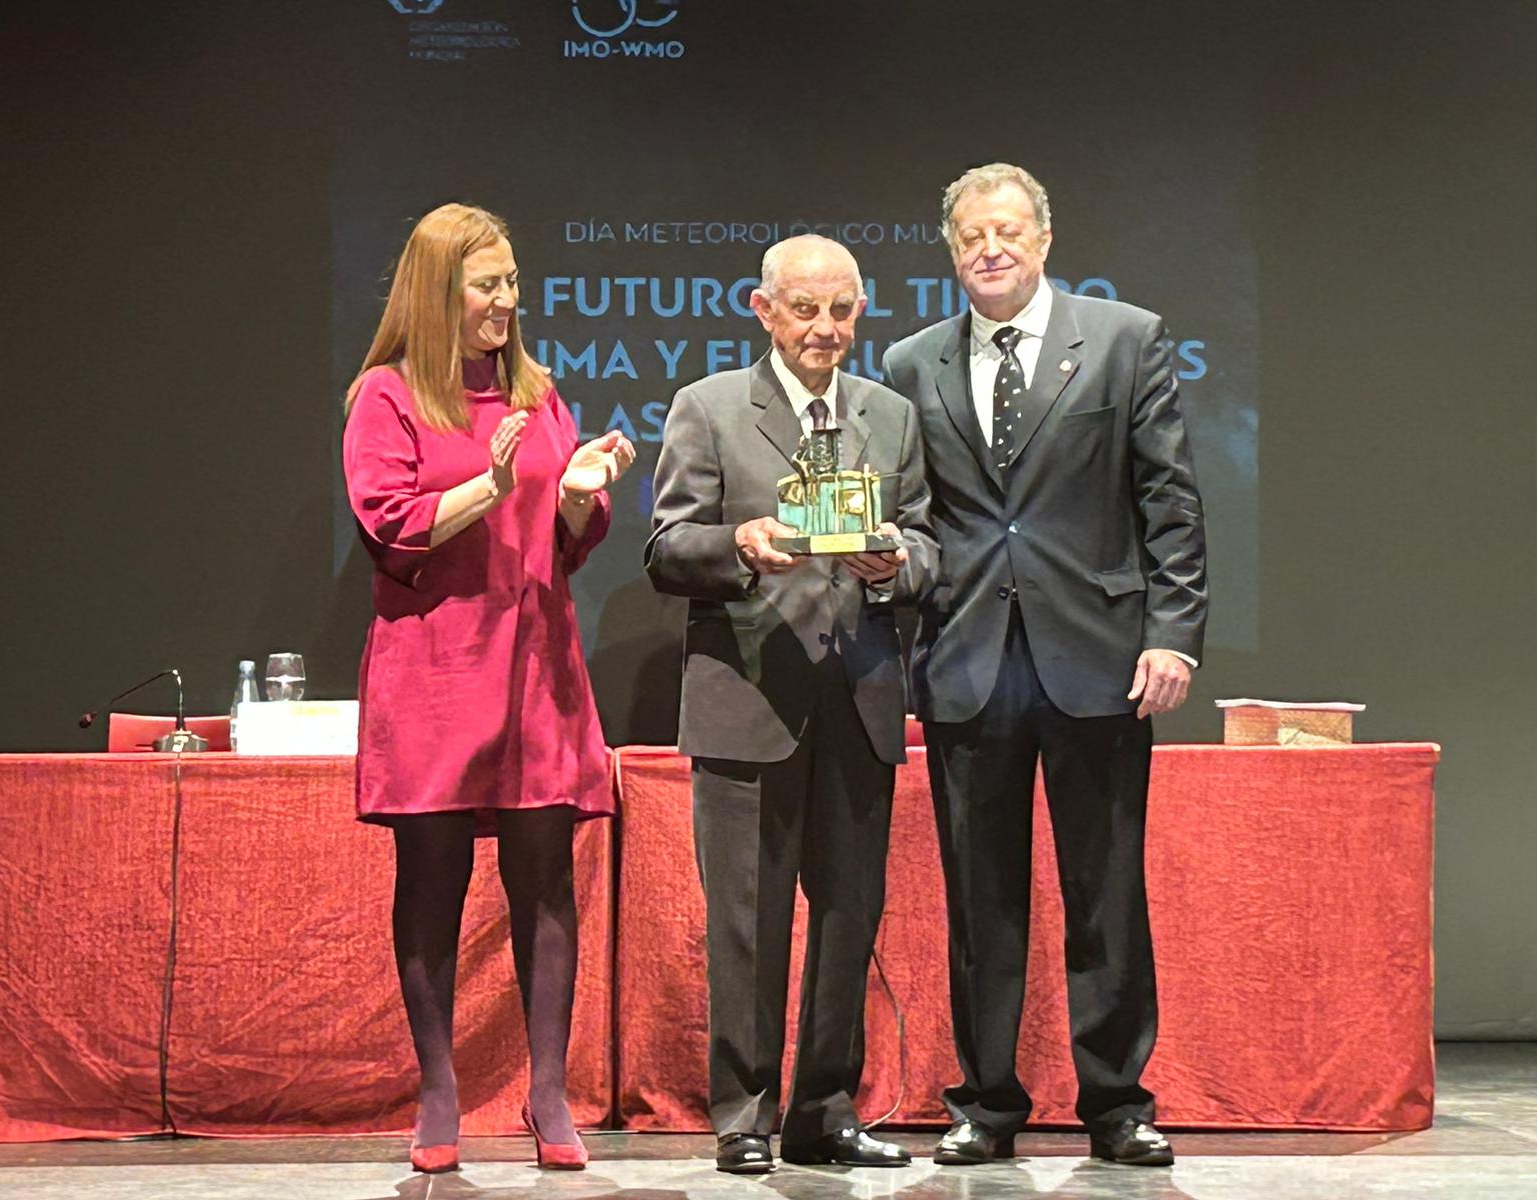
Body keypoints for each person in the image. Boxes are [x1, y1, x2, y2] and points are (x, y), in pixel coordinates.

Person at [881, 163, 1207, 1168]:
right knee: (980, 901)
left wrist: (1172, 631)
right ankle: (985, 1100)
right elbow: (914, 512)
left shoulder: (1124, 341)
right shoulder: (909, 363)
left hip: (1099, 659)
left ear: (1045, 239)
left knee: (1105, 888)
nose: (991, 247)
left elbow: (1170, 501)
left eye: (1009, 230)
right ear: (950, 249)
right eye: (973, 234)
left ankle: (1116, 1101)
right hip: (966, 658)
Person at [341, 202, 635, 1175]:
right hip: (436, 671)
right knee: (431, 882)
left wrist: (583, 490)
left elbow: (556, 537)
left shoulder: (538, 392)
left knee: (545, 883)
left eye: (512, 281)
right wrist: (491, 484)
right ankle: (439, 1096)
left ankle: (548, 1099)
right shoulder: (386, 397)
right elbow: (389, 526)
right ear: (438, 292)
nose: (506, 301)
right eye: (487, 284)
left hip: (537, 666)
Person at [646, 235, 937, 1174]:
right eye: (805, 310)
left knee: (850, 915)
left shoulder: (890, 416)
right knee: (747, 920)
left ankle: (825, 1110)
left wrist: (897, 565)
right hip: (747, 702)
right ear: (762, 310)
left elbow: (931, 542)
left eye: (842, 310)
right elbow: (666, 547)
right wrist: (745, 541)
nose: (825, 329)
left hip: (859, 700)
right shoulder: (710, 407)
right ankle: (744, 1115)